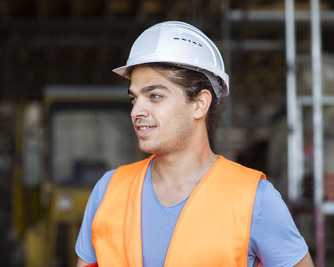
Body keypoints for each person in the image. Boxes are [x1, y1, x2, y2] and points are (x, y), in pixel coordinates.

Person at [75, 21, 314, 267]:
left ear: (199, 104)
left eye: (155, 96)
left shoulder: (255, 199)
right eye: (134, 98)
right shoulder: (108, 191)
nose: (137, 110)